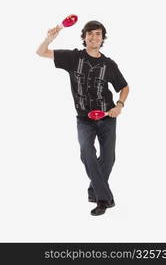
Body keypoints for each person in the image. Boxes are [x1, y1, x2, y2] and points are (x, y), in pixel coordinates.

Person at [36, 20, 129, 216]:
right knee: (86, 152)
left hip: (107, 116)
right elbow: (41, 52)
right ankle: (104, 199)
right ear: (84, 36)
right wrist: (49, 39)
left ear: (102, 38)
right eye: (90, 33)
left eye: (98, 34)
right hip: (84, 118)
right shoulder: (73, 58)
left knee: (108, 158)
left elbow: (124, 87)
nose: (94, 37)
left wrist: (119, 106)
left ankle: (93, 191)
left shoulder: (109, 64)